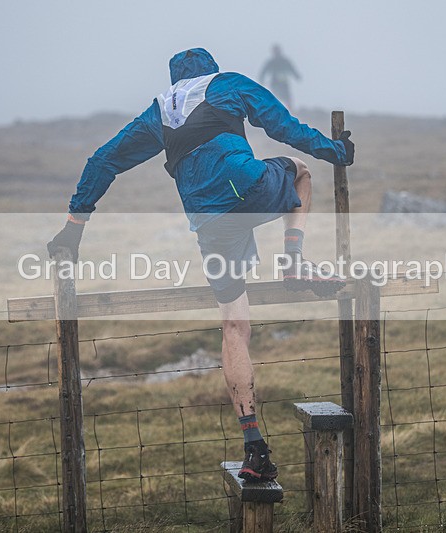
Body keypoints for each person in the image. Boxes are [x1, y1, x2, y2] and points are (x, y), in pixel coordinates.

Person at [47, 48, 353, 482]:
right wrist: (336, 151)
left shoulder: (158, 112)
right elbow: (284, 126)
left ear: (174, 80)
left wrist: (72, 230)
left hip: (207, 222)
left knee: (233, 325)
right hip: (248, 189)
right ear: (209, 69)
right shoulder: (227, 84)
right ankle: (293, 261)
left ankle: (254, 447)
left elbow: (103, 161)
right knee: (301, 172)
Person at [259, 44, 301, 109]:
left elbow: (292, 68)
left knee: (287, 98)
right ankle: (274, 110)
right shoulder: (271, 62)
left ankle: (290, 111)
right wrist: (261, 79)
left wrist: (296, 76)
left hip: (284, 83)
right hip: (275, 83)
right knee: (275, 97)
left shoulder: (285, 61)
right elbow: (264, 71)